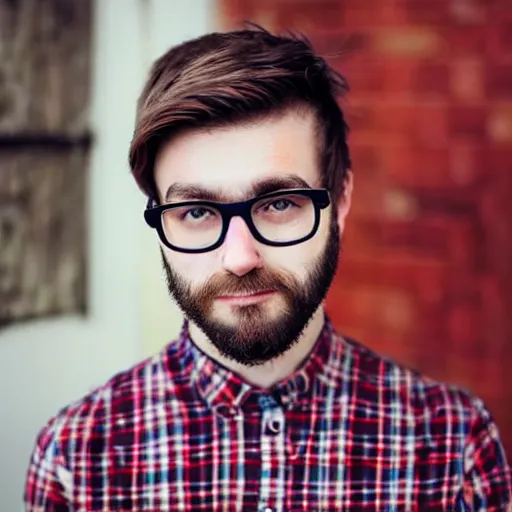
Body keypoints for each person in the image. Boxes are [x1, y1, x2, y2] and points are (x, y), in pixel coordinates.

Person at [24, 26, 511, 511]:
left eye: (278, 204)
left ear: (340, 199)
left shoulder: (454, 450)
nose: (239, 258)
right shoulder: (77, 460)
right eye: (196, 212)